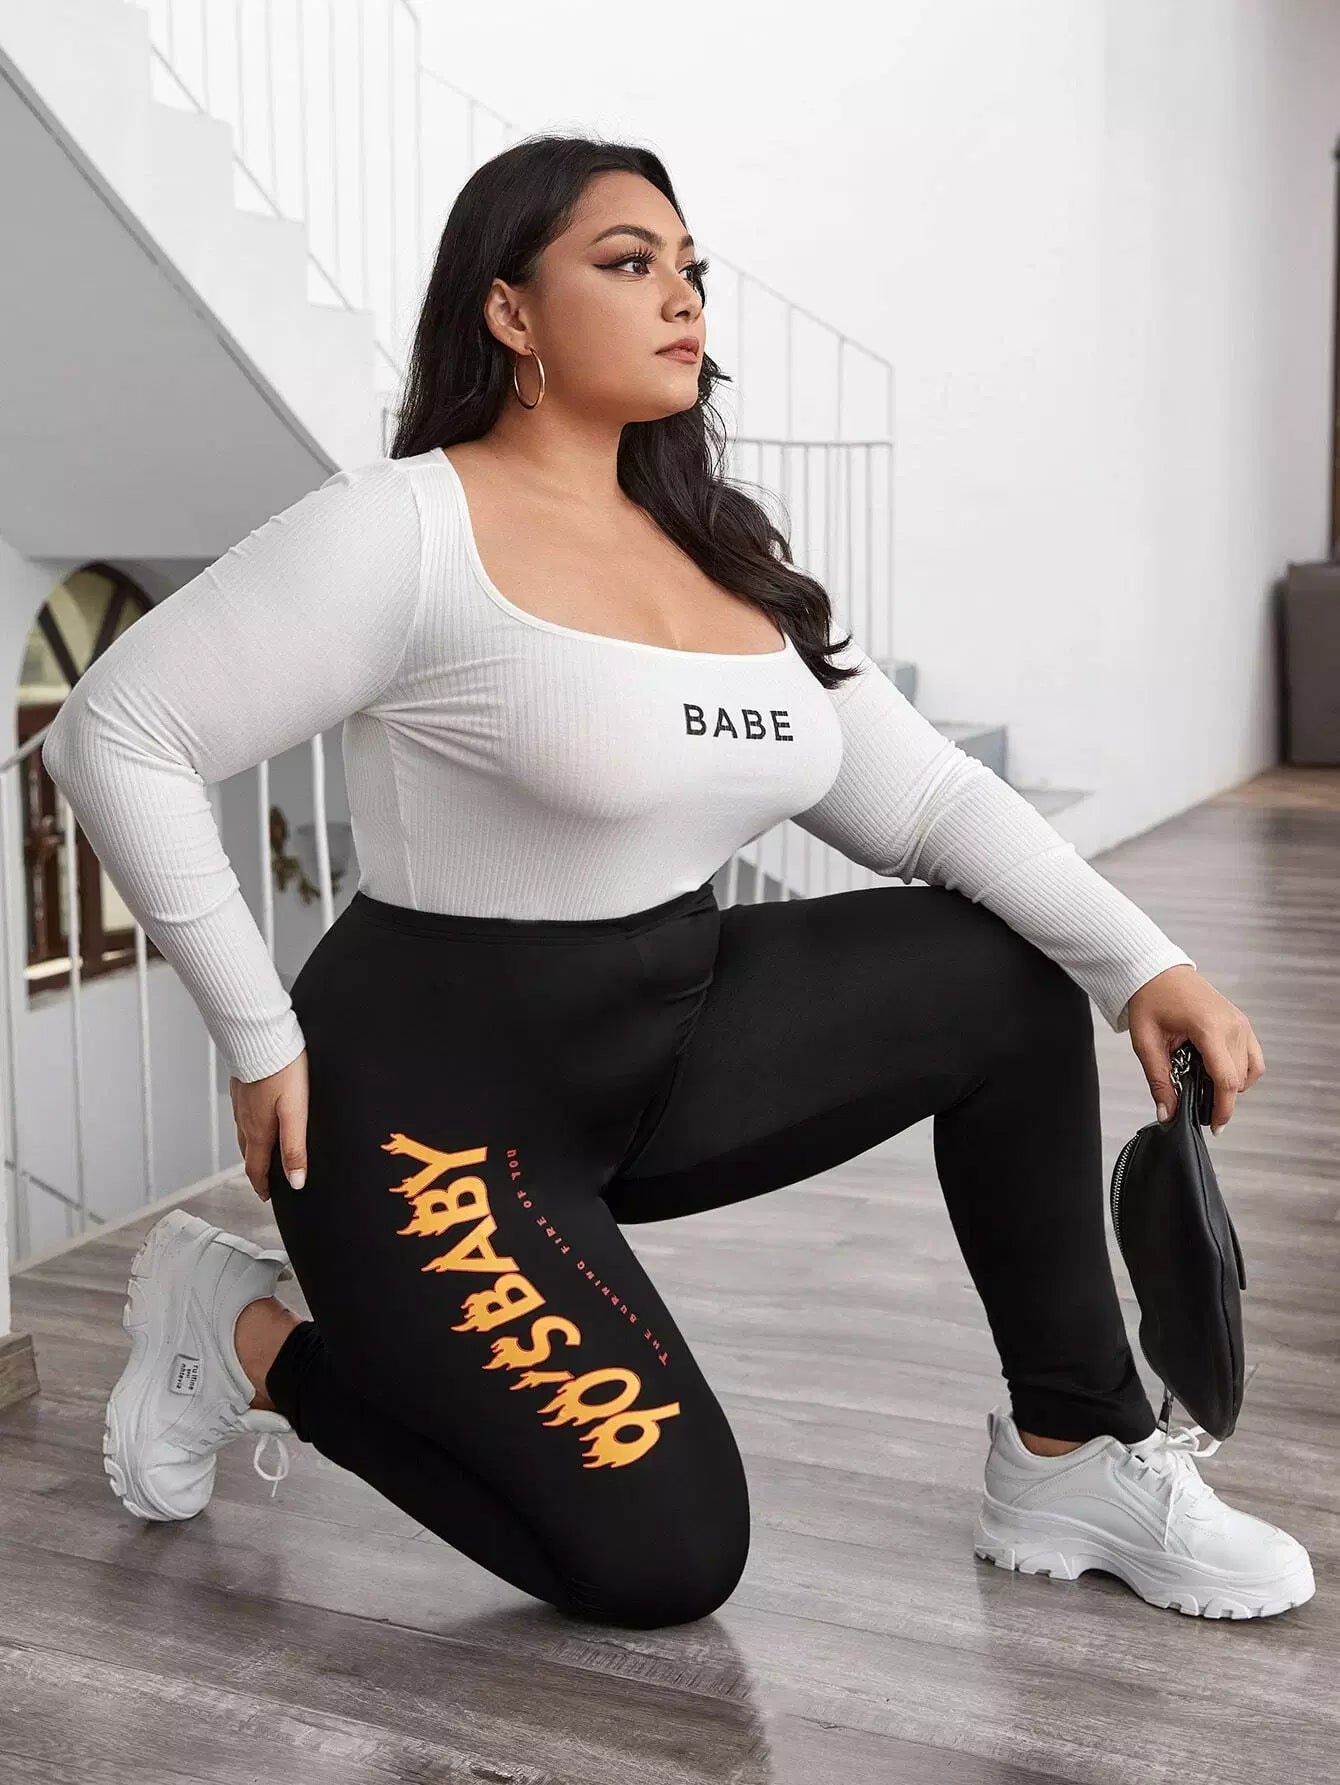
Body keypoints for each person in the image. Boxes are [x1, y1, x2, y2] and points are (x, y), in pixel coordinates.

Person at [43, 133, 1312, 1629]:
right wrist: (258, 1032)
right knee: (661, 1561)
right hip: (433, 1121)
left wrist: (1144, 963)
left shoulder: (721, 546)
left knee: (1001, 973)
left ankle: (1072, 1449)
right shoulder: (404, 530)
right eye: (628, 262)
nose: (683, 297)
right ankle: (251, 1337)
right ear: (509, 309)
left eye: (689, 268)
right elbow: (115, 732)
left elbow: (922, 797)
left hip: (667, 1036)